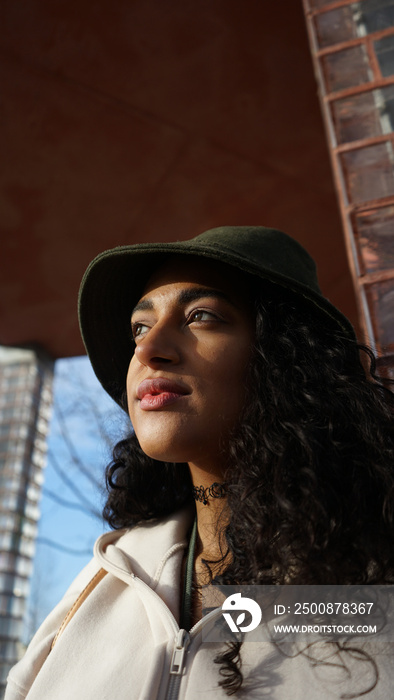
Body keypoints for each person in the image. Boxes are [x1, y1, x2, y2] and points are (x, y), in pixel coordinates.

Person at [5, 226, 394, 700]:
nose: (148, 350)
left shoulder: (372, 576)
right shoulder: (101, 578)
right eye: (140, 328)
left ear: (287, 355)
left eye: (201, 316)